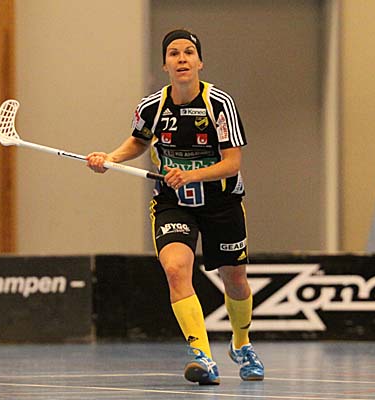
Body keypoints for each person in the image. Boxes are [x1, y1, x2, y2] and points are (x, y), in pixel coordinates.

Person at [86, 28, 263, 385]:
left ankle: (241, 343)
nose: (181, 59)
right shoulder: (151, 107)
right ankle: (203, 356)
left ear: (200, 62)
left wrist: (192, 174)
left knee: (235, 280)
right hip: (173, 202)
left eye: (188, 53)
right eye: (173, 54)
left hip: (222, 201)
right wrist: (110, 158)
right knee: (175, 268)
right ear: (165, 65)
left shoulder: (219, 105)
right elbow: (138, 142)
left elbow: (232, 163)